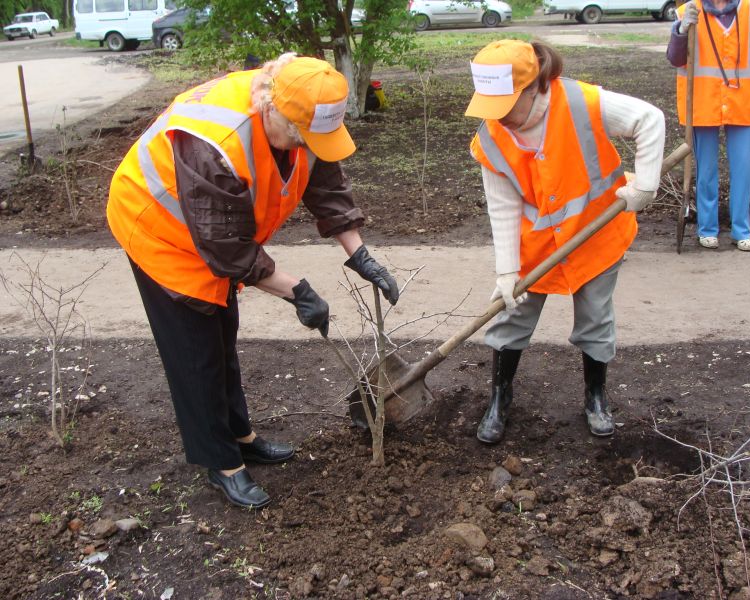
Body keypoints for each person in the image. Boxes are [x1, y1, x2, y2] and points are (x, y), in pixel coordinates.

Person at [106, 53, 399, 509]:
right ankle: (221, 463)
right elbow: (230, 251)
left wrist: (360, 254)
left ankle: (241, 435)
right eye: (302, 137)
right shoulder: (215, 142)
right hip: (160, 231)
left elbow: (324, 182)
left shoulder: (299, 109)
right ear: (273, 110)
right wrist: (298, 291)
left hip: (213, 232)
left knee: (223, 335)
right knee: (196, 353)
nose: (307, 146)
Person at [464, 39, 665, 443]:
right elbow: (502, 209)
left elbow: (650, 118)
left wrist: (645, 186)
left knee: (595, 316)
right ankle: (500, 397)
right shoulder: (491, 139)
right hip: (537, 245)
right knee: (511, 316)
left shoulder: (581, 103)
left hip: (597, 234)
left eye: (504, 106)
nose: (497, 118)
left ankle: (595, 396)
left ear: (535, 86)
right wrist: (506, 273)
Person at [667, 0, 750, 252]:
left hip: (743, 102)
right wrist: (681, 30)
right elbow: (675, 58)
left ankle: (742, 230)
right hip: (702, 103)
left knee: (743, 170)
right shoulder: (688, 12)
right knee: (706, 171)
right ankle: (707, 229)